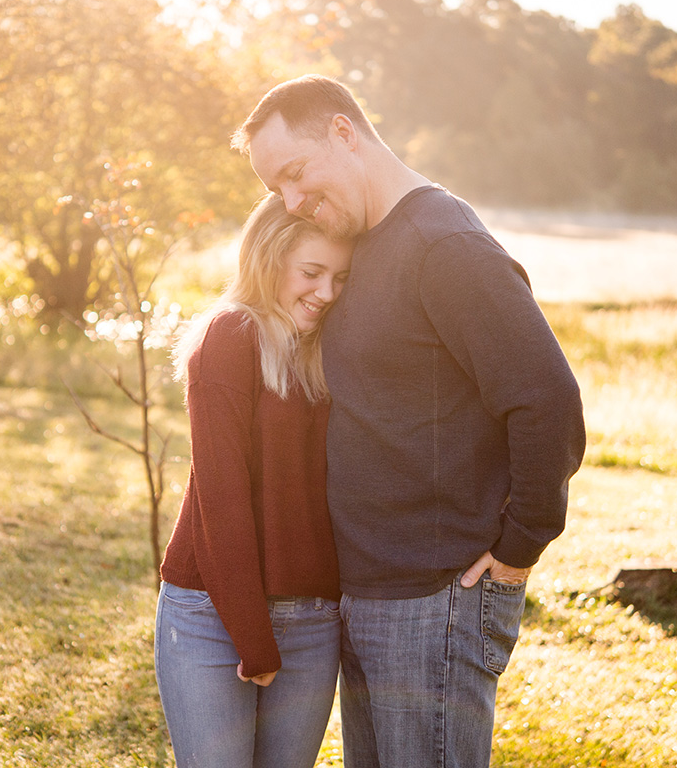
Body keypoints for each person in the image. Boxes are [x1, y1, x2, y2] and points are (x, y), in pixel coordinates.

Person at [231, 74, 587, 767]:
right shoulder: (364, 242)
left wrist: (520, 547)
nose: (294, 202)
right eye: (278, 192)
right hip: (368, 593)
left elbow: (547, 400)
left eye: (296, 175)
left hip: (434, 597)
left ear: (343, 131)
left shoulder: (442, 243)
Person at [154, 193, 353, 767]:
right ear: (268, 260)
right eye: (311, 273)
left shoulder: (328, 350)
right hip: (211, 614)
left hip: (314, 622)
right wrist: (252, 634)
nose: (326, 292)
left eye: (340, 277)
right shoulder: (229, 336)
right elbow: (222, 497)